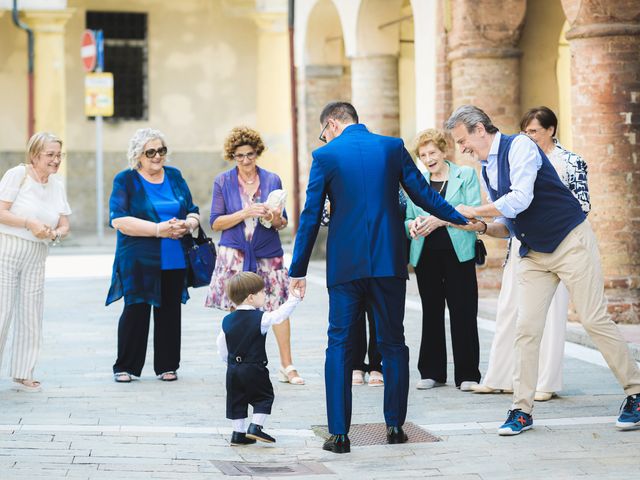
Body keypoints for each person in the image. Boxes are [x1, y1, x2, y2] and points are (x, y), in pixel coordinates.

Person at [446, 104, 640, 435]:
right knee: (527, 329)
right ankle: (521, 410)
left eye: (462, 140)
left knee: (593, 319)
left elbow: (520, 198)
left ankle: (635, 392)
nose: (461, 148)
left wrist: (471, 208)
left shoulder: (520, 146)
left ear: (480, 129)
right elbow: (508, 222)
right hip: (533, 252)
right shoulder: (487, 167)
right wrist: (479, 226)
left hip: (569, 241)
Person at [288, 102, 468, 454]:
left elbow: (310, 216)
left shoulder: (325, 155)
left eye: (324, 131)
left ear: (333, 123)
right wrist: (461, 219)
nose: (324, 137)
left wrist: (298, 270)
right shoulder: (391, 147)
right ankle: (396, 426)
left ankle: (339, 435)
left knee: (339, 344)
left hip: (345, 266)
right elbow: (423, 194)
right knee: (393, 343)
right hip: (388, 260)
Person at [471, 106, 591, 401]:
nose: (528, 137)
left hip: (560, 242)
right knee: (509, 308)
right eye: (524, 131)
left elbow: (582, 205)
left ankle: (545, 383)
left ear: (551, 130)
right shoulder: (514, 156)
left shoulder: (570, 161)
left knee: (551, 314)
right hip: (521, 243)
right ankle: (500, 375)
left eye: (534, 131)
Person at [205, 126, 304, 386]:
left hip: (267, 253)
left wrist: (272, 216)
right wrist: (244, 213)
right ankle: (238, 364)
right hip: (234, 255)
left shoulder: (272, 179)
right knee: (236, 311)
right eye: (239, 156)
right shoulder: (223, 181)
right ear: (232, 156)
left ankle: (287, 365)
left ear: (257, 152)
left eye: (250, 154)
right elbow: (215, 223)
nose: (246, 160)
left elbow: (282, 223)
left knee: (279, 307)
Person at [107, 128, 200, 383]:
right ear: (138, 155)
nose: (157, 156)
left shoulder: (175, 176)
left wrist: (188, 225)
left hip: (174, 256)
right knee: (136, 309)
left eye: (161, 150)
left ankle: (167, 365)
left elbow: (192, 210)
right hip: (138, 258)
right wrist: (159, 230)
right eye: (151, 152)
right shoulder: (125, 180)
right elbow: (119, 220)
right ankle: (125, 366)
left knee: (170, 311)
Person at [405, 129, 481, 391]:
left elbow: (471, 214)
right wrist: (411, 224)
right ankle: (431, 372)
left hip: (459, 253)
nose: (428, 159)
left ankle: (468, 374)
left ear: (444, 151)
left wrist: (440, 219)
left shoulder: (466, 175)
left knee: (463, 311)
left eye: (432, 153)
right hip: (426, 254)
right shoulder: (417, 181)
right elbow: (407, 217)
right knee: (432, 312)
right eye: (423, 155)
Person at [0, 132, 71, 392]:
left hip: (37, 253)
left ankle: (22, 373)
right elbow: (1, 211)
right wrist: (29, 223)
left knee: (31, 314)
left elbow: (65, 224)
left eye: (58, 155)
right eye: (50, 155)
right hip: (7, 249)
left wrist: (55, 233)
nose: (55, 160)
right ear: (34, 155)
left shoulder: (57, 184)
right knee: (1, 311)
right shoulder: (17, 175)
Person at [216, 272, 302, 446]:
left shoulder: (227, 320)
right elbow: (280, 315)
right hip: (255, 368)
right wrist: (294, 299)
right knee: (263, 397)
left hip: (233, 369)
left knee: (236, 401)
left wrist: (229, 362)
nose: (265, 295)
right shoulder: (260, 318)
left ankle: (238, 434)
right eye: (262, 292)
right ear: (250, 297)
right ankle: (255, 426)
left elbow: (221, 346)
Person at [321, 201, 384, 387]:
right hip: (347, 253)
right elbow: (322, 218)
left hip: (378, 251)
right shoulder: (336, 175)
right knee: (353, 313)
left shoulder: (383, 173)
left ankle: (377, 365)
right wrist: (330, 208)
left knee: (377, 313)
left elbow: (399, 206)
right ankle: (356, 365)